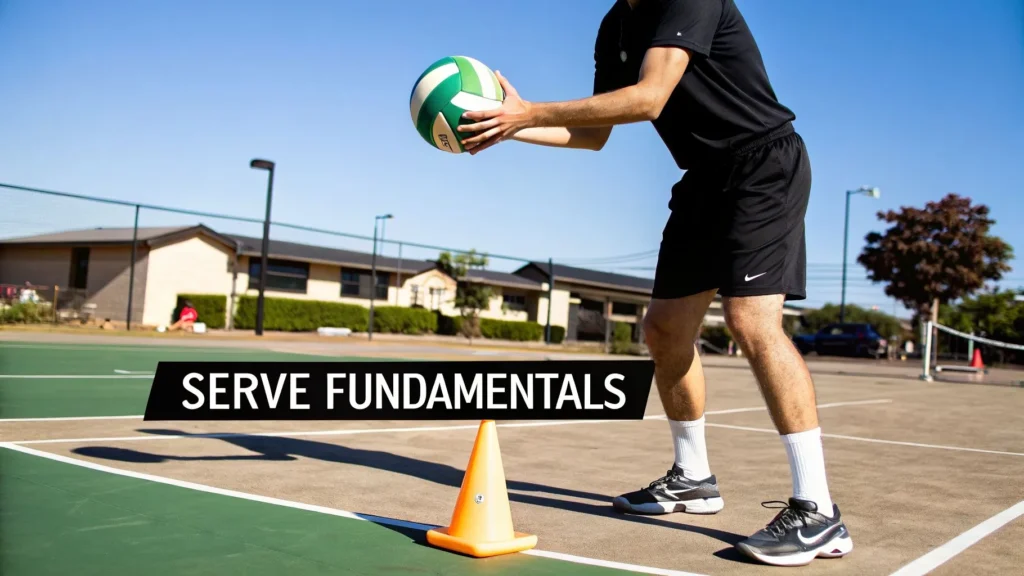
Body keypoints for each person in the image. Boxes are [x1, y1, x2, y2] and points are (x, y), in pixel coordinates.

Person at [457, 0, 851, 566]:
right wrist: (507, 128)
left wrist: (527, 112)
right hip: (703, 180)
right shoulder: (615, 25)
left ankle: (818, 512)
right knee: (665, 331)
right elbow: (594, 135)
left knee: (749, 321)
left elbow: (649, 97)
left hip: (763, 165)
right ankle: (694, 478)